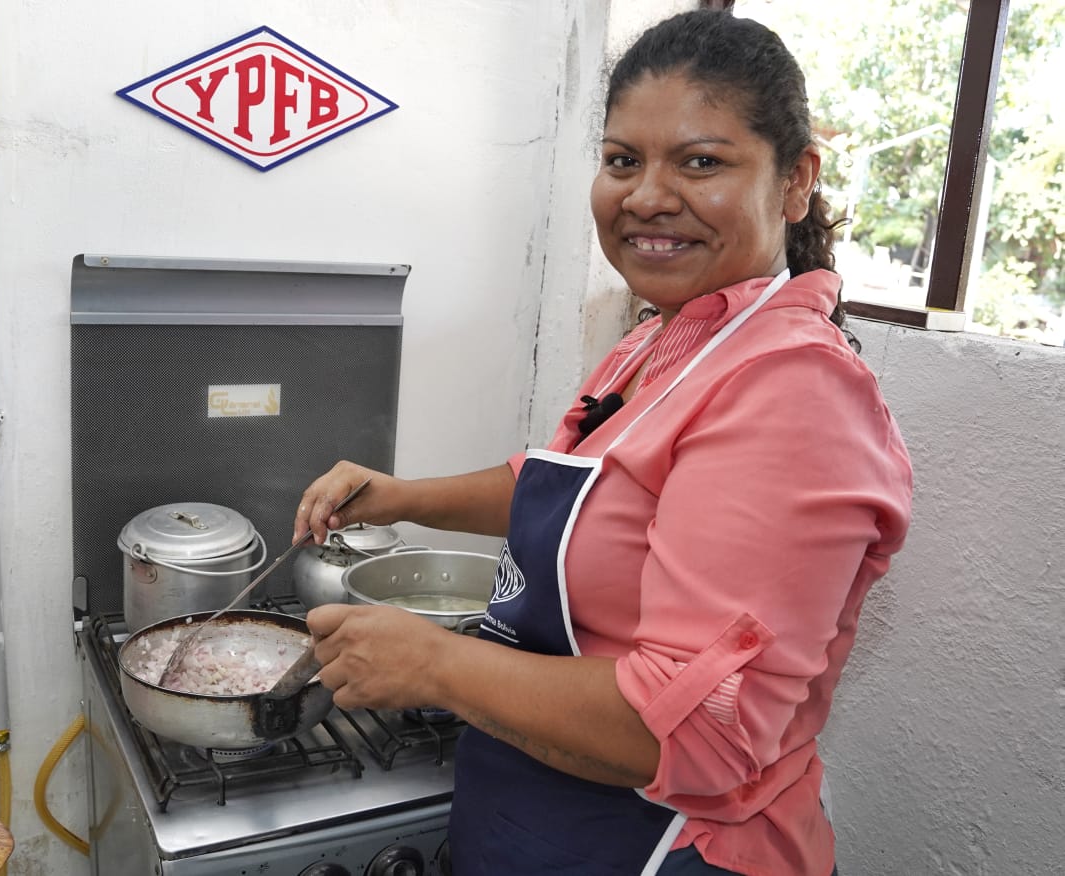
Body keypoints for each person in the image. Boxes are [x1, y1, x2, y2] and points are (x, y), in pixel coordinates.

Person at [292, 9, 912, 876]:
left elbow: (697, 732)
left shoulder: (794, 392)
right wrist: (401, 497)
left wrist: (435, 665)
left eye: (701, 161)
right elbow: (578, 489)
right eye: (622, 160)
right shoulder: (663, 337)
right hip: (532, 819)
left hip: (666, 848)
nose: (646, 195)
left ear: (794, 180)